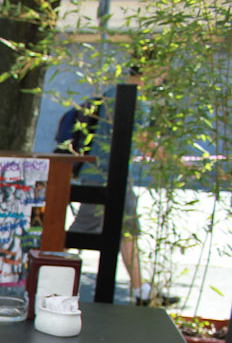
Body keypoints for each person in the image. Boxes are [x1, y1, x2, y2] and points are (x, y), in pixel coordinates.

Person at [66, 69, 177, 307]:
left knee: (126, 230)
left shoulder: (111, 93)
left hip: (105, 173)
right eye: (162, 71)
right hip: (107, 175)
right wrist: (174, 161)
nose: (162, 78)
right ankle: (42, 271)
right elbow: (145, 142)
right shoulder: (133, 99)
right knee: (82, 231)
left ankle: (141, 291)